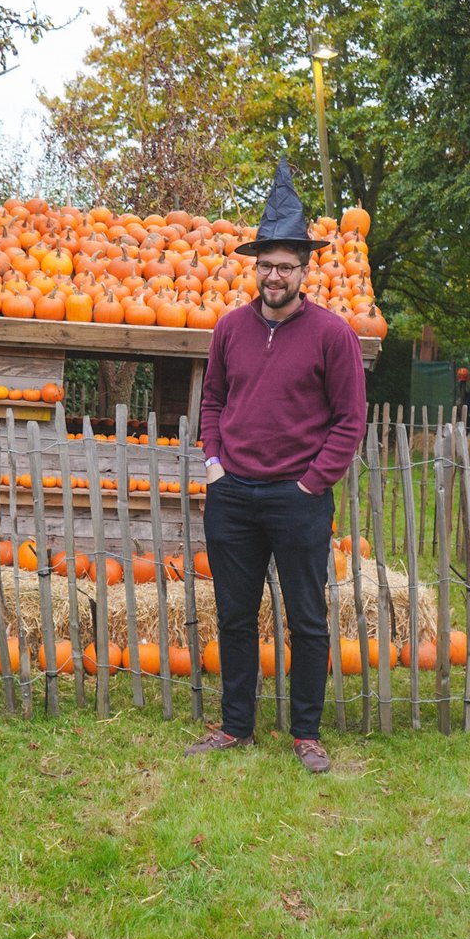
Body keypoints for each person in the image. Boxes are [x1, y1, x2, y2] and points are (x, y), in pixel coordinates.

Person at [185, 159, 367, 773]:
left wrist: (314, 482)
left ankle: (306, 734)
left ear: (304, 270)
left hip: (298, 498)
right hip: (232, 493)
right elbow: (212, 400)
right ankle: (236, 727)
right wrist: (213, 461)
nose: (274, 276)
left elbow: (349, 420)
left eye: (285, 266)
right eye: (265, 265)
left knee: (307, 618)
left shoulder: (332, 334)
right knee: (235, 615)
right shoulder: (230, 329)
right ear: (255, 266)